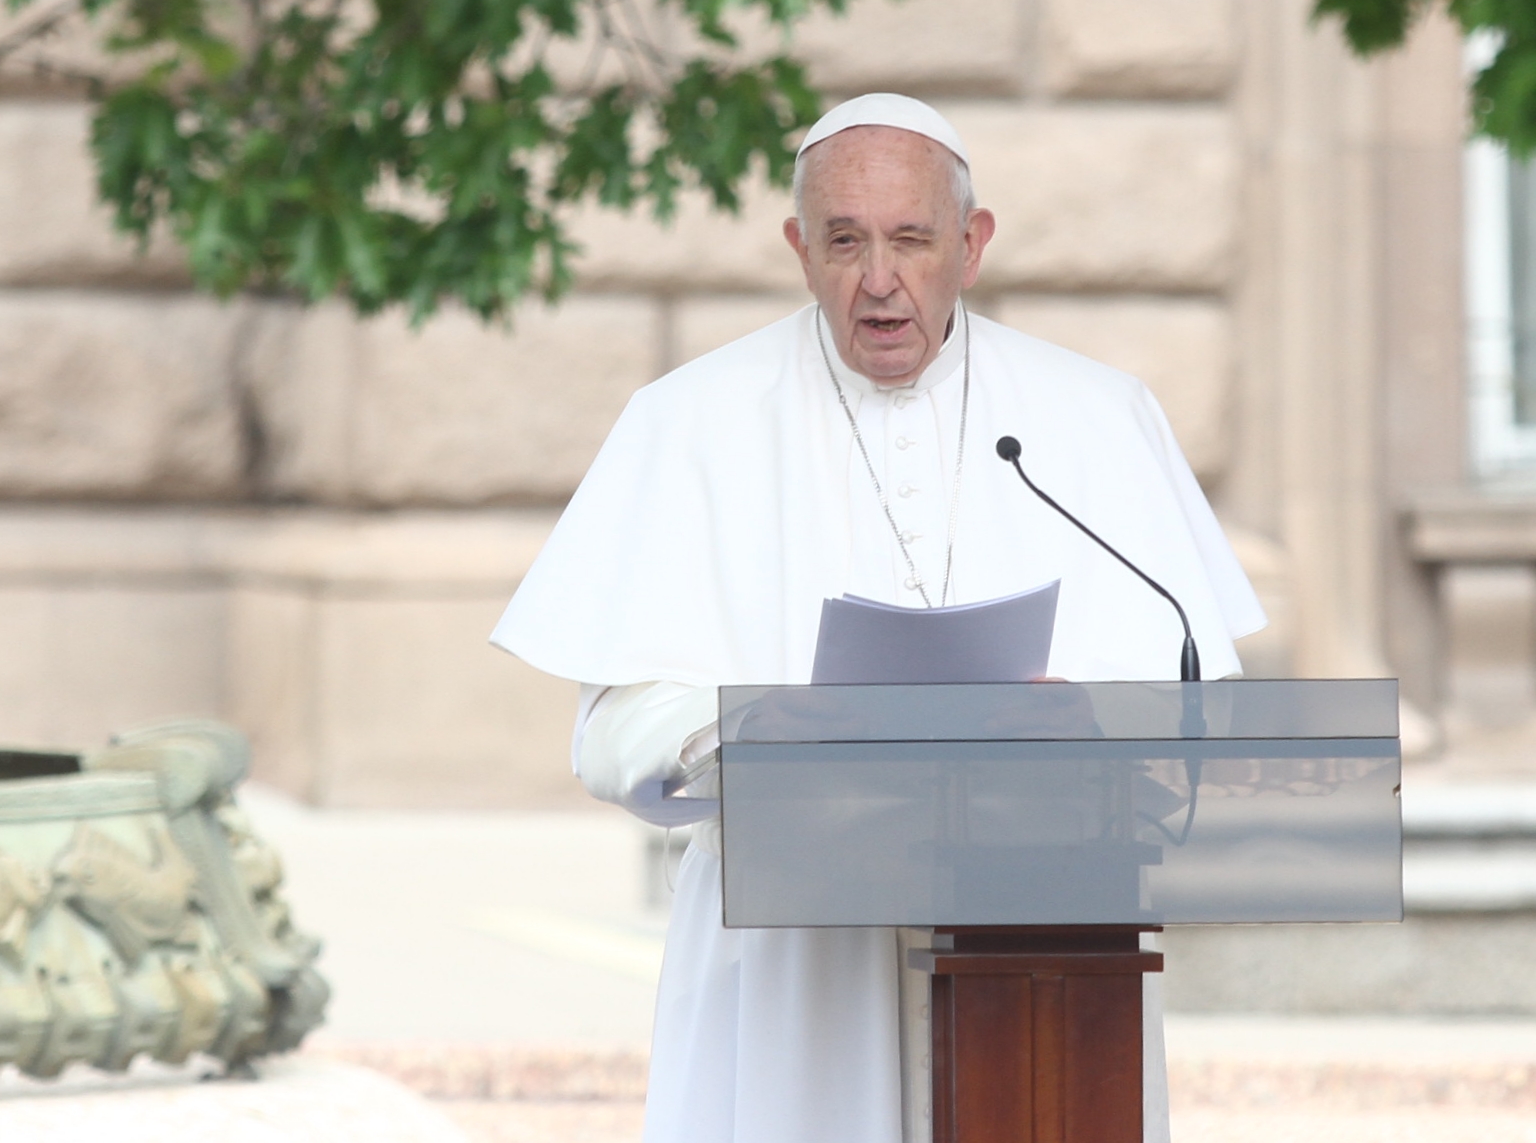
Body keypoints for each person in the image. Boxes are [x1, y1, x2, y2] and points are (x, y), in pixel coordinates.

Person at [490, 93, 1265, 1143]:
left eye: (912, 238)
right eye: (846, 241)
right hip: (792, 964)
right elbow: (612, 734)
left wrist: (1092, 728)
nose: (880, 278)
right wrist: (748, 728)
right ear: (800, 249)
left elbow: (1192, 719)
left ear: (972, 245)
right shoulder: (692, 420)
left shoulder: (1097, 416)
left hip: (1040, 947)